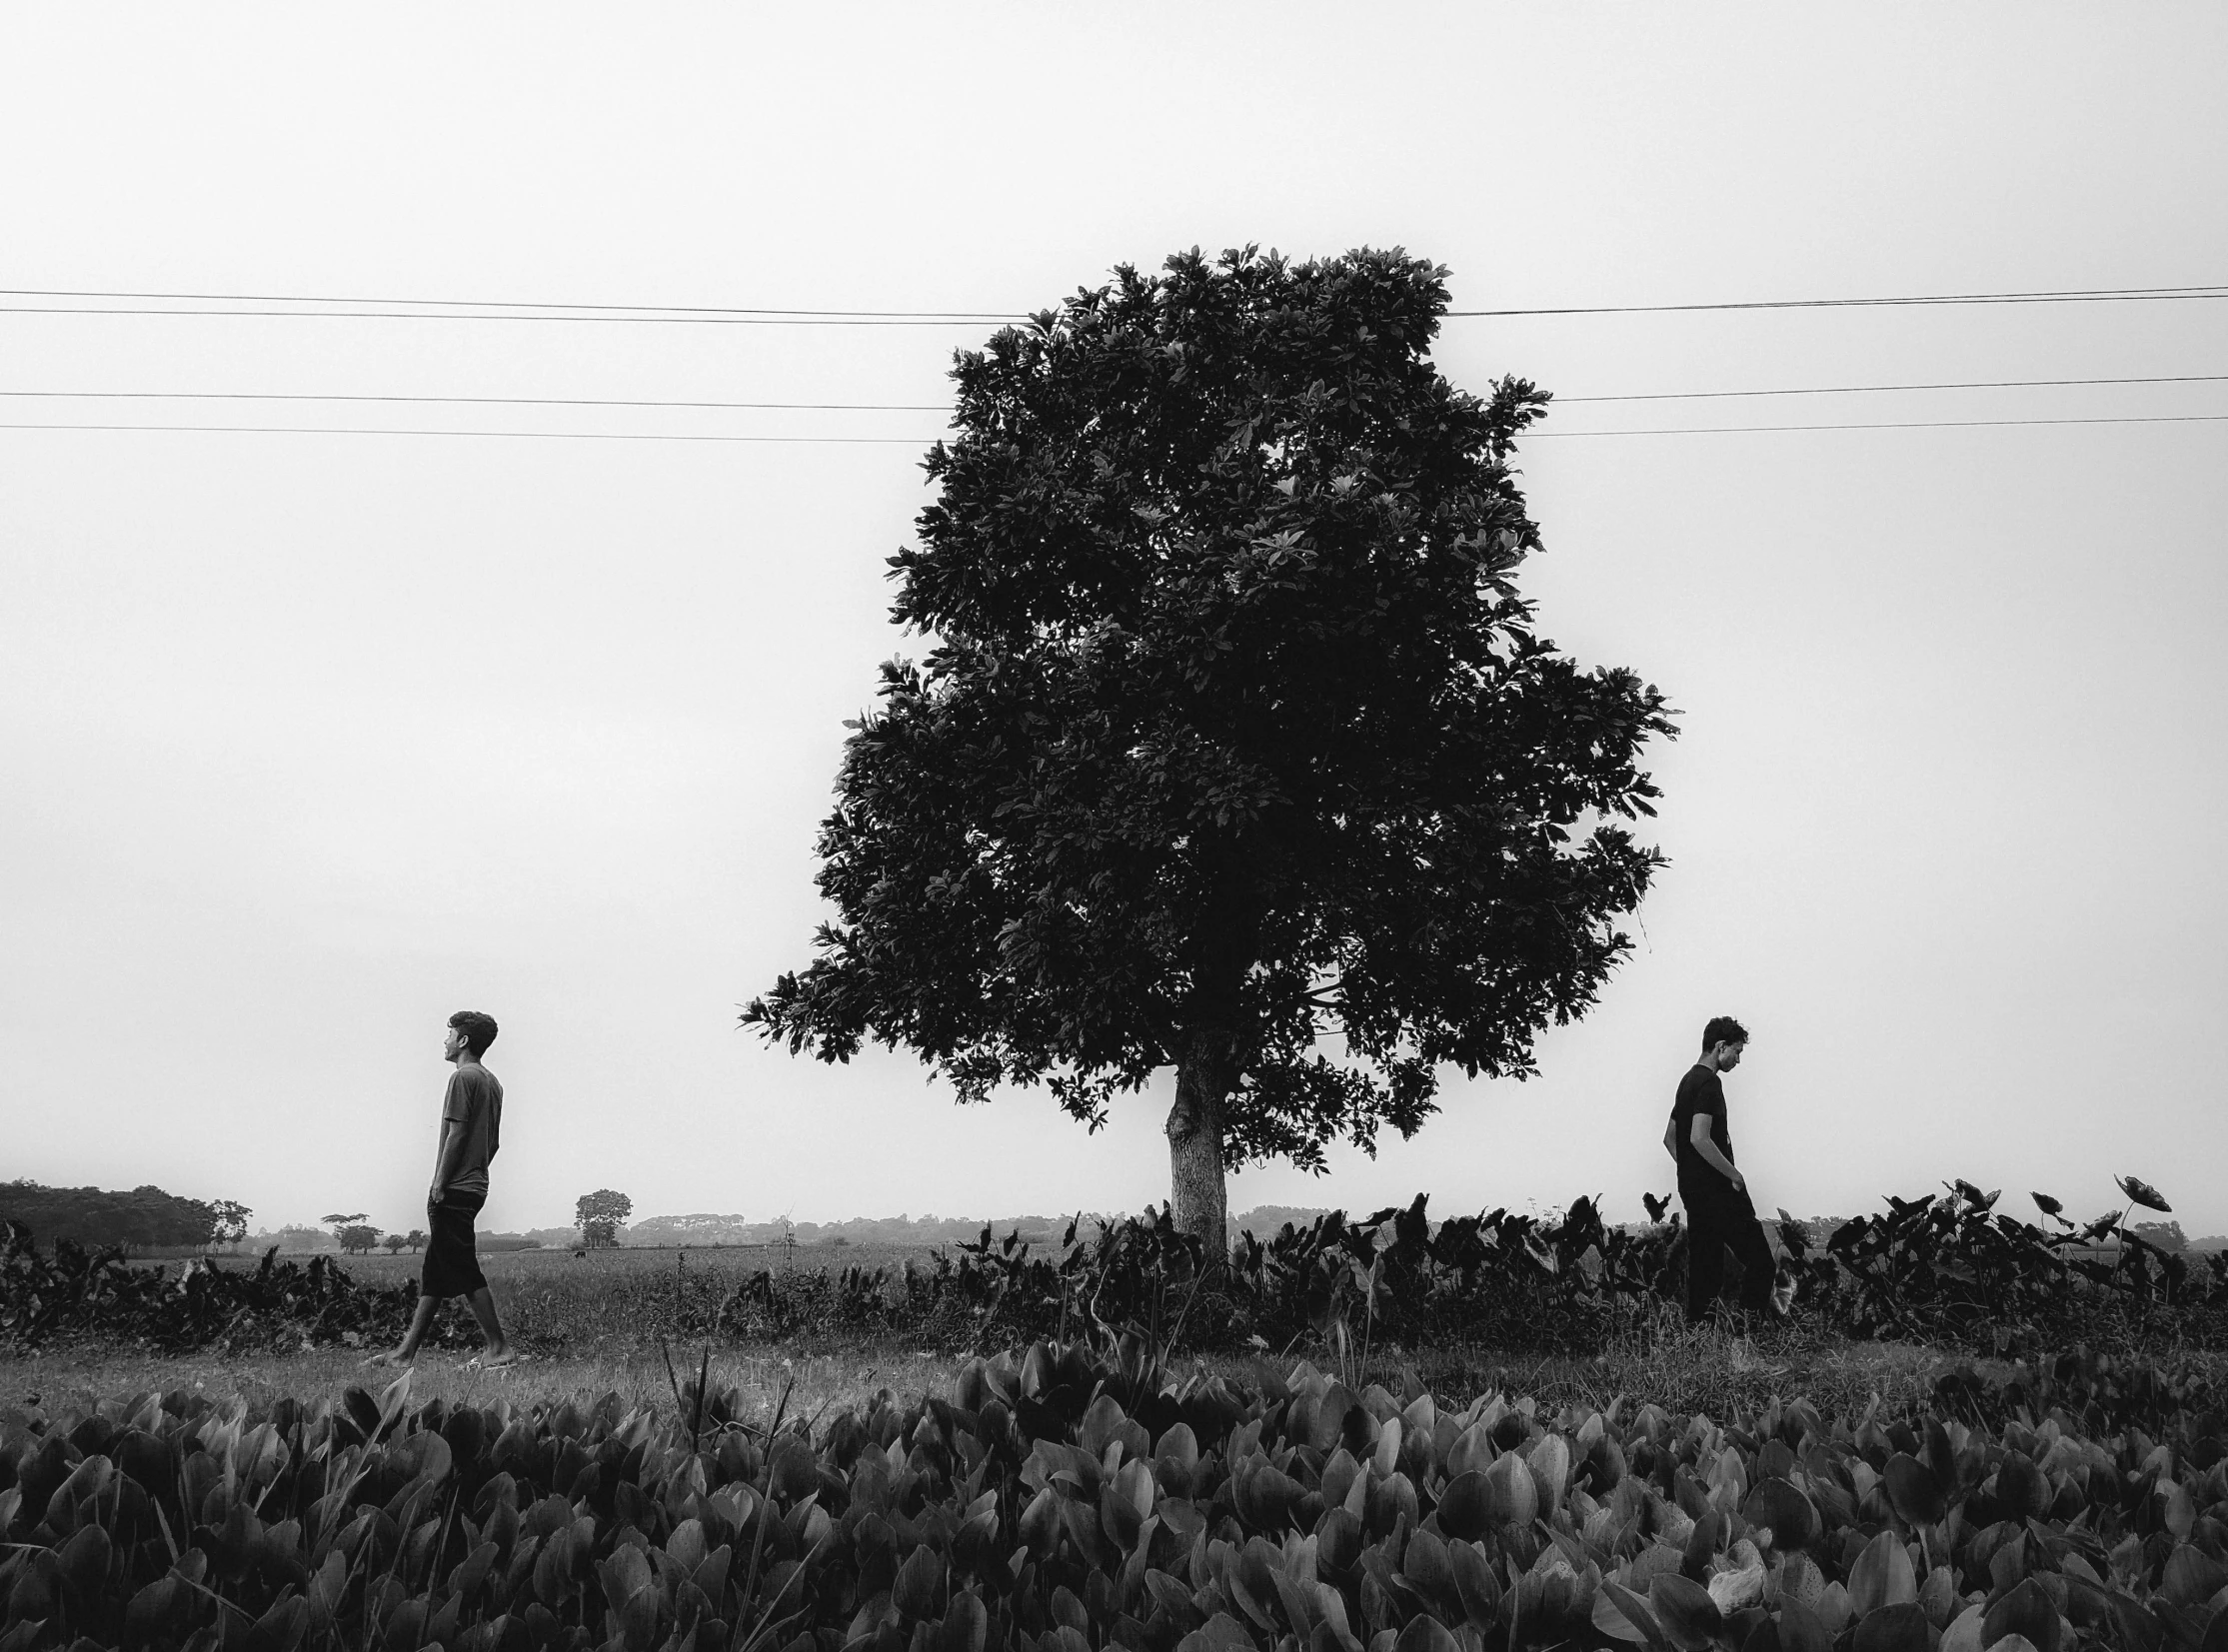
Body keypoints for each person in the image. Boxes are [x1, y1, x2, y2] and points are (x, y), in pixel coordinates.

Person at [367, 1010, 516, 1367]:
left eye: (449, 1034)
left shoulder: (462, 1078)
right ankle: (404, 1353)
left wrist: (441, 1181)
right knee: (436, 1270)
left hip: (455, 1188)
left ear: (463, 1041)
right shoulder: (492, 1082)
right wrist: (475, 1174)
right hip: (475, 1185)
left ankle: (498, 1348)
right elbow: (492, 1143)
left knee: (461, 1265)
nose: (445, 1040)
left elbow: (458, 1133)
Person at [1663, 1014, 1779, 1324]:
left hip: (1693, 1192)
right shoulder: (1710, 1082)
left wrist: (1693, 1172)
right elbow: (1699, 1137)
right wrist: (1733, 1175)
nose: (1738, 1060)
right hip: (1719, 1193)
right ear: (1720, 1046)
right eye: (1737, 1052)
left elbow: (1670, 1139)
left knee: (1706, 1269)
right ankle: (1746, 1329)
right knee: (1762, 1263)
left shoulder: (1687, 1080)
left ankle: (1699, 1338)